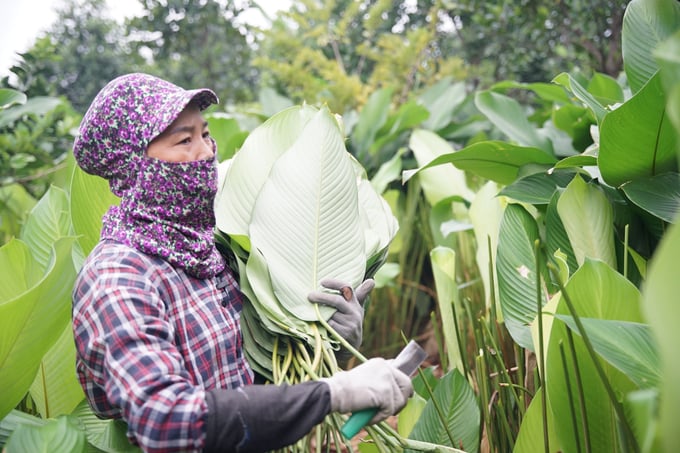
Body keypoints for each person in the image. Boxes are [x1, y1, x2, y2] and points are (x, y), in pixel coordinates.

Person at [71, 73, 413, 453]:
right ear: (135, 169)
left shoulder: (212, 250)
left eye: (205, 133)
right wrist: (331, 393)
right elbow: (167, 420)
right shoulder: (118, 279)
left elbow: (255, 387)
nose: (206, 152)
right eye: (184, 140)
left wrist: (332, 346)